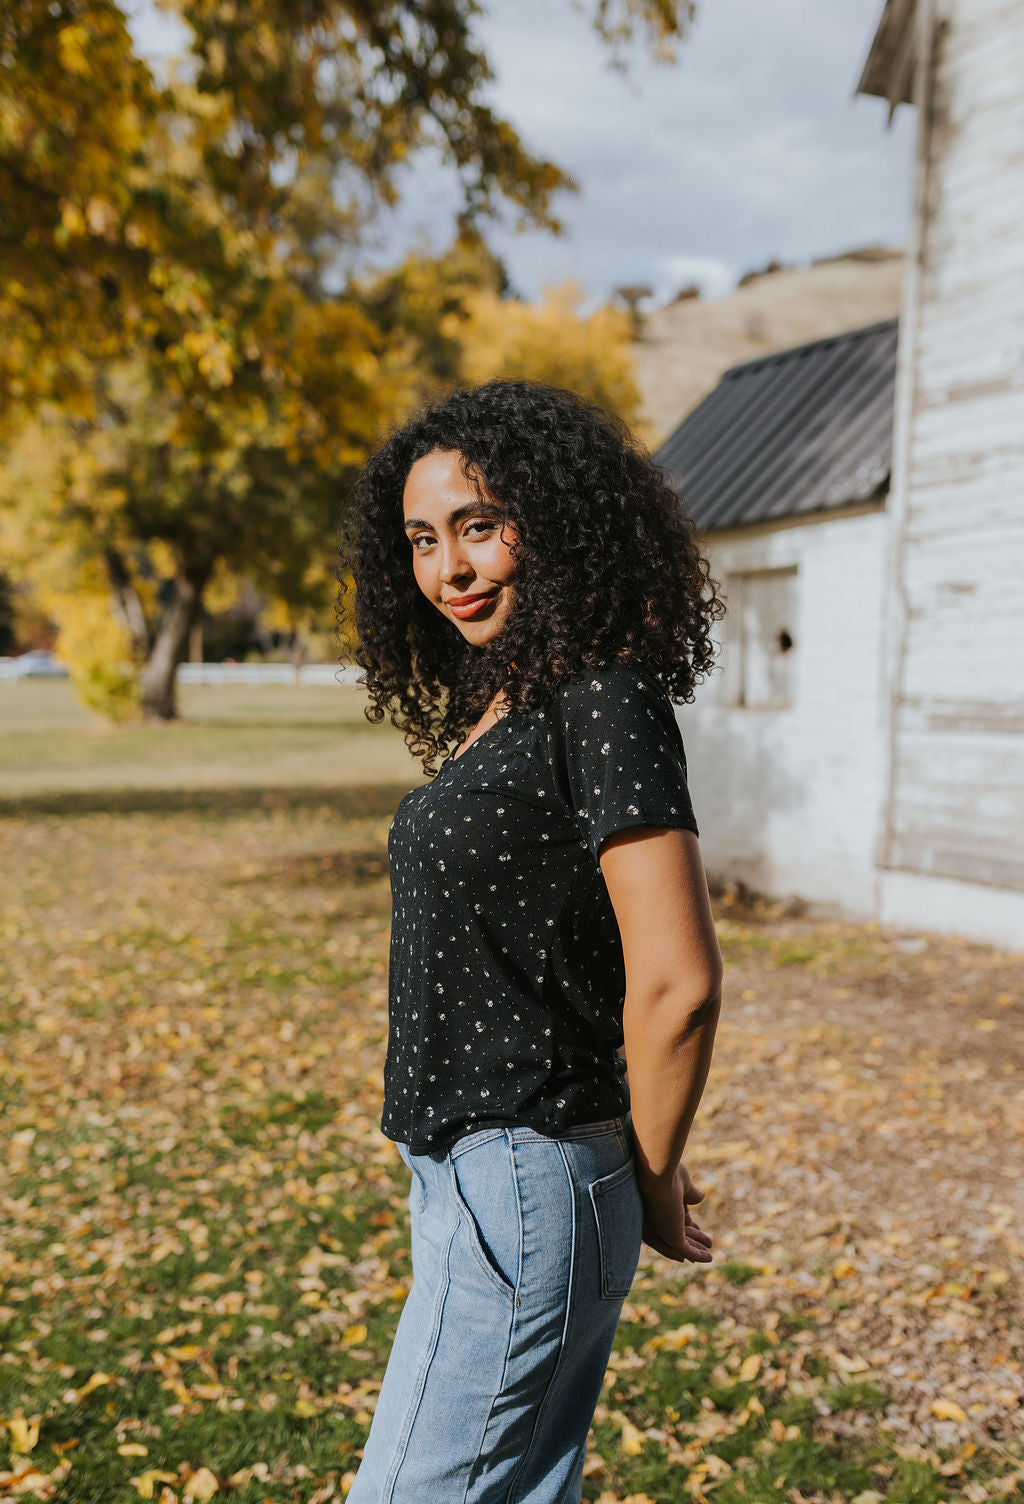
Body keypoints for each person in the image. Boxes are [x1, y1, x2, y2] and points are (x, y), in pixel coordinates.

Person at [336, 380, 726, 1504]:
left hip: (524, 1174)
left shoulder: (602, 699)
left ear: (556, 524)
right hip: (483, 1175)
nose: (449, 570)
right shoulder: (510, 701)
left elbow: (677, 980)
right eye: (422, 539)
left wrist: (649, 1176)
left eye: (479, 526)